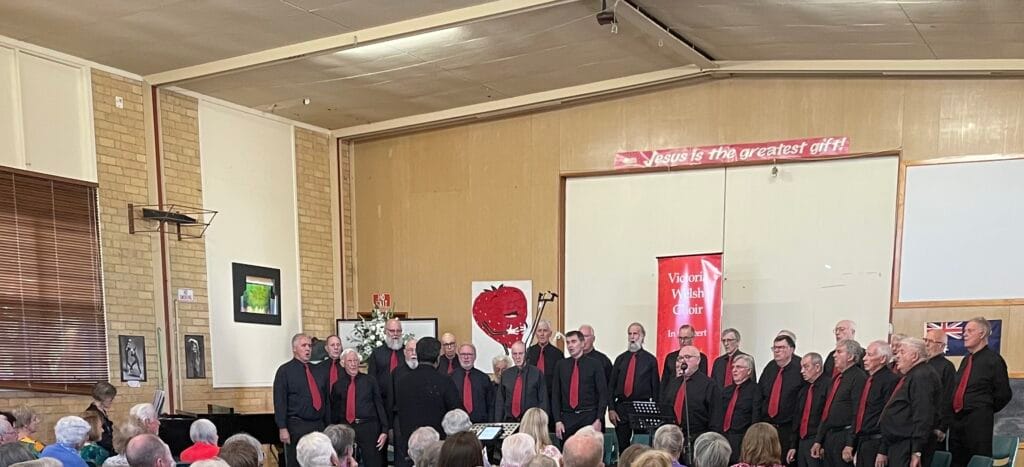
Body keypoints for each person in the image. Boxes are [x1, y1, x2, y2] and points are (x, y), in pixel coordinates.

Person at [947, 317, 1012, 467]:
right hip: (957, 422)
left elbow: (1004, 394)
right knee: (956, 461)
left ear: (982, 334)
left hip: (978, 422)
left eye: (970, 331)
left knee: (978, 461)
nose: (965, 334)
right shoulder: (966, 360)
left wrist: (984, 408)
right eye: (964, 331)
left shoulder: (994, 360)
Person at [396, 337, 461, 465]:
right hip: (437, 448)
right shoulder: (444, 381)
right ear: (438, 358)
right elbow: (456, 412)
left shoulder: (402, 382)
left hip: (411, 444)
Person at [879, 338, 940, 467]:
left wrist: (916, 451)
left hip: (908, 445)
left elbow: (923, 414)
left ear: (915, 356)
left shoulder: (922, 376)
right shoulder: (914, 374)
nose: (897, 356)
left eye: (902, 352)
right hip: (899, 444)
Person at [273, 333, 330, 467]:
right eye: (304, 345)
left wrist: (327, 425)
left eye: (309, 346)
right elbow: (280, 401)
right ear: (294, 348)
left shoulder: (318, 370)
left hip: (319, 425)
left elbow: (325, 399)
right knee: (296, 462)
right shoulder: (284, 371)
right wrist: (282, 428)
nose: (308, 349)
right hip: (297, 426)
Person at [841, 341, 898, 467]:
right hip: (863, 441)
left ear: (883, 359)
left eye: (870, 355)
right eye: (865, 354)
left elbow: (889, 418)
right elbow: (859, 412)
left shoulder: (891, 381)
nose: (865, 359)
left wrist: (883, 450)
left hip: (877, 442)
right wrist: (851, 443)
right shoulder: (868, 380)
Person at [811, 340, 866, 467]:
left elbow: (857, 412)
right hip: (831, 436)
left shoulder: (859, 378)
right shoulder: (836, 379)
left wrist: (850, 443)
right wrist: (819, 440)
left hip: (844, 436)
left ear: (851, 356)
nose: (834, 355)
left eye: (839, 352)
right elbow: (827, 410)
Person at [330, 348, 388, 466]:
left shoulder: (370, 380)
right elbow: (334, 410)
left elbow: (379, 405)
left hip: (369, 428)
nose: (353, 364)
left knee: (373, 462)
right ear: (343, 363)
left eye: (355, 360)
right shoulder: (337, 385)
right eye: (350, 361)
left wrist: (384, 430)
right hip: (346, 428)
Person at [662, 345, 721, 458]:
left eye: (688, 357)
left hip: (697, 440)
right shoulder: (674, 383)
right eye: (680, 358)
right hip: (672, 440)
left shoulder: (709, 385)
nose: (683, 361)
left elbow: (716, 418)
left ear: (698, 360)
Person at [609, 323, 661, 450]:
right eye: (630, 334)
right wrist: (611, 409)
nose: (632, 337)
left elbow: (656, 389)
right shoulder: (620, 359)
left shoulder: (650, 360)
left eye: (636, 334)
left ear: (642, 337)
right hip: (621, 408)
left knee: (641, 446)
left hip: (641, 408)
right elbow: (611, 386)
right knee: (623, 447)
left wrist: (655, 413)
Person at [552, 330, 609, 440]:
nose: (570, 345)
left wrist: (598, 419)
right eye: (568, 342)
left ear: (582, 343)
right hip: (567, 418)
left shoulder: (595, 364)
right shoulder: (561, 365)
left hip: (589, 416)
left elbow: (603, 393)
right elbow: (556, 395)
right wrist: (557, 420)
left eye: (573, 341)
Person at [757, 335, 802, 457]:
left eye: (781, 347)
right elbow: (759, 396)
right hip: (767, 428)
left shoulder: (800, 368)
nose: (776, 351)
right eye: (774, 348)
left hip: (788, 429)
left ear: (791, 349)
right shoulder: (770, 368)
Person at [786, 353, 827, 467]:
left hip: (817, 441)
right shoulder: (804, 390)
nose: (802, 371)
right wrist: (793, 445)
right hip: (802, 441)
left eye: (806, 367)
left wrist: (821, 442)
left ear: (817, 367)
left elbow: (827, 417)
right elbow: (797, 419)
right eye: (801, 367)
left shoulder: (828, 386)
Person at [720, 354, 762, 463]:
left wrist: (752, 440)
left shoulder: (755, 389)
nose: (734, 370)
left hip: (742, 438)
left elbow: (756, 415)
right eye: (733, 367)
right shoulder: (726, 390)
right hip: (723, 437)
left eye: (739, 367)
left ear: (749, 371)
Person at [496, 341, 549, 422]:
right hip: (509, 422)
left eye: (520, 353)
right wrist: (497, 423)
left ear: (526, 354)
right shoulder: (506, 375)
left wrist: (541, 423)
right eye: (515, 354)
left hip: (530, 422)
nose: (517, 357)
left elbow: (543, 401)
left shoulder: (537, 374)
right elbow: (500, 402)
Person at [923, 328, 955, 452]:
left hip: (935, 427)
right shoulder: (923, 365)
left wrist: (942, 427)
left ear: (941, 345)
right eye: (925, 340)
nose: (926, 344)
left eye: (930, 341)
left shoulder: (946, 367)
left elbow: (948, 398)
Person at [390, 338, 419, 467]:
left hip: (421, 419)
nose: (414, 353)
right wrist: (389, 426)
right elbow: (391, 400)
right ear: (404, 352)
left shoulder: (425, 371)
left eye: (416, 350)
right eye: (410, 350)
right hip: (401, 420)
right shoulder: (397, 373)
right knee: (402, 458)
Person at [661, 324, 709, 396]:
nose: (682, 341)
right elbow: (664, 382)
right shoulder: (670, 357)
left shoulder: (700, 357)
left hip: (693, 396)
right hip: (672, 396)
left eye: (685, 338)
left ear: (692, 338)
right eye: (680, 338)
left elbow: (702, 381)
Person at [369, 318, 406, 412]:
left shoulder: (407, 352)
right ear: (386, 331)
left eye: (398, 331)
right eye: (392, 331)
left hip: (404, 400)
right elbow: (371, 378)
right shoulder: (377, 353)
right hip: (382, 401)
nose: (395, 334)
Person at [452, 343, 496, 423]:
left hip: (480, 423)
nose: (466, 357)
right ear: (458, 356)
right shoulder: (450, 378)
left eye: (469, 354)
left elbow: (491, 405)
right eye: (463, 354)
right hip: (457, 424)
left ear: (475, 356)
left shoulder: (483, 378)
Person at [526, 320, 564, 401]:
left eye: (545, 331)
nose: (542, 334)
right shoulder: (529, 352)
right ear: (536, 333)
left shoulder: (558, 354)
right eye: (539, 331)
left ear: (550, 333)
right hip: (531, 397)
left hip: (550, 397)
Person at [84, 382, 117, 454]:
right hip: (100, 453)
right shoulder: (93, 413)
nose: (112, 400)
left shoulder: (101, 410)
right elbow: (99, 439)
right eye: (111, 398)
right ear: (103, 397)